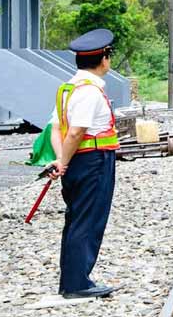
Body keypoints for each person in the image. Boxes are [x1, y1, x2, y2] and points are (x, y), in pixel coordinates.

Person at [47, 28, 120, 299]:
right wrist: (63, 160)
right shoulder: (90, 91)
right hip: (94, 162)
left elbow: (56, 129)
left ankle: (71, 281)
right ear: (103, 59)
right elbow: (76, 132)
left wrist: (61, 161)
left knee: (76, 219)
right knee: (88, 221)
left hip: (77, 163)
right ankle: (78, 284)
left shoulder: (67, 89)